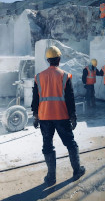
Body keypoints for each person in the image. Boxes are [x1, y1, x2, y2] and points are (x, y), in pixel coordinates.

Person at [31, 45, 85, 186]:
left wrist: (36, 116)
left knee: (47, 146)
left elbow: (35, 100)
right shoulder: (65, 76)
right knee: (70, 143)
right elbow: (70, 98)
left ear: (48, 60)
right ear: (59, 59)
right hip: (62, 116)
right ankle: (77, 170)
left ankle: (51, 177)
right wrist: (73, 115)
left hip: (44, 117)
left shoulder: (39, 77)